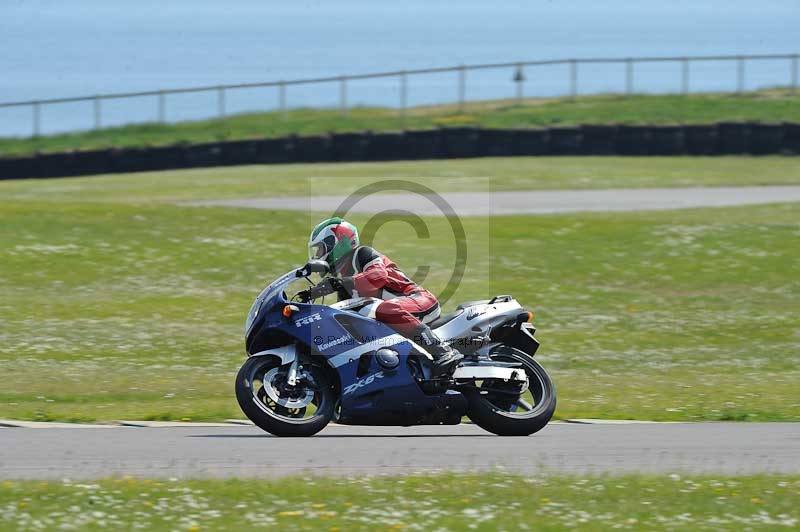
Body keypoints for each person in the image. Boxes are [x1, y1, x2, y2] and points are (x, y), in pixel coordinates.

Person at [302, 217, 463, 375]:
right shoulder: (344, 280)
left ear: (338, 243)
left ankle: (442, 351)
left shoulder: (362, 254)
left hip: (419, 300)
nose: (318, 255)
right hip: (397, 314)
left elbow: (378, 276)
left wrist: (340, 283)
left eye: (321, 249)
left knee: (385, 308)